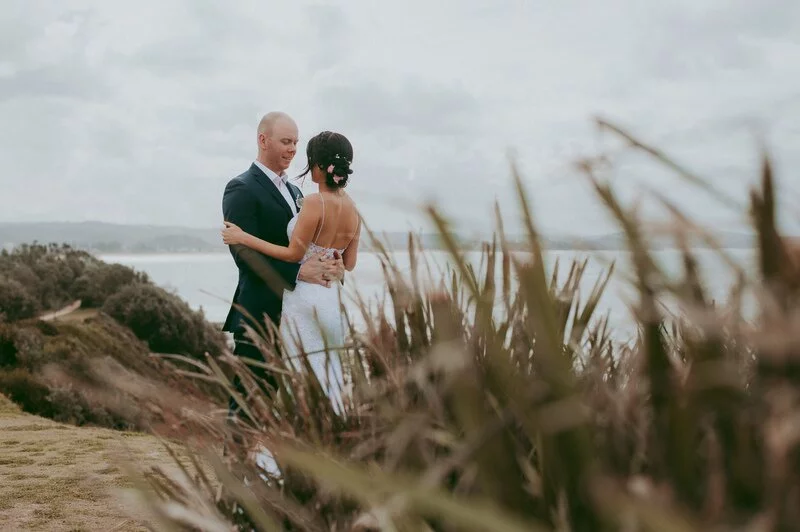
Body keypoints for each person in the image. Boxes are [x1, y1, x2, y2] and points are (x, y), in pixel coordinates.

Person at [222, 131, 361, 410]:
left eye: (298, 145)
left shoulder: (309, 200)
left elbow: (294, 254)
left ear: (318, 166)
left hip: (302, 301)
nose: (294, 150)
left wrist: (244, 237)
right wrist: (334, 267)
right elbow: (349, 263)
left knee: (292, 377)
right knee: (320, 373)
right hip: (327, 303)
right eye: (288, 142)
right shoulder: (353, 209)